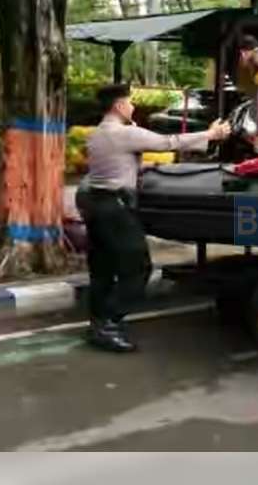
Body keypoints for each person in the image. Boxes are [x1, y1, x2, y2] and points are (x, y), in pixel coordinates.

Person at [77, 84, 231, 353]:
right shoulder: (124, 133)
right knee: (138, 268)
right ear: (118, 106)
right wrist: (212, 133)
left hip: (95, 204)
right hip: (116, 207)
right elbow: (168, 143)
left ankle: (98, 322)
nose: (132, 106)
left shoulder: (96, 135)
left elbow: (113, 164)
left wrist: (138, 167)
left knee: (102, 268)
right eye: (129, 102)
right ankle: (108, 324)